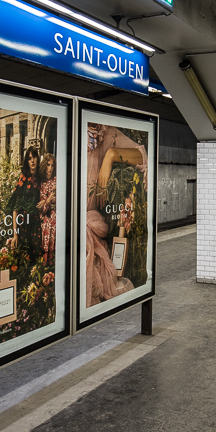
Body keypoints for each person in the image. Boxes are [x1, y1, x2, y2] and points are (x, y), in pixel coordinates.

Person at [84, 122, 147, 307]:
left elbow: (142, 156)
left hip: (95, 223)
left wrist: (111, 155)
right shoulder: (70, 127)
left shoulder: (108, 133)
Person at [7, 146, 42, 257]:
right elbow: (15, 208)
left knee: (35, 260)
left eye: (34, 157)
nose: (32, 160)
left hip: (36, 225)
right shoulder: (23, 179)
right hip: (23, 225)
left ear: (38, 158)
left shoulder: (41, 179)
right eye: (29, 158)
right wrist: (15, 234)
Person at [37, 153, 57, 265]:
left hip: (56, 218)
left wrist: (46, 201)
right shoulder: (42, 184)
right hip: (46, 221)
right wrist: (48, 200)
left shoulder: (57, 180)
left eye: (52, 165)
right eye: (48, 165)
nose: (50, 168)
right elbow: (42, 209)